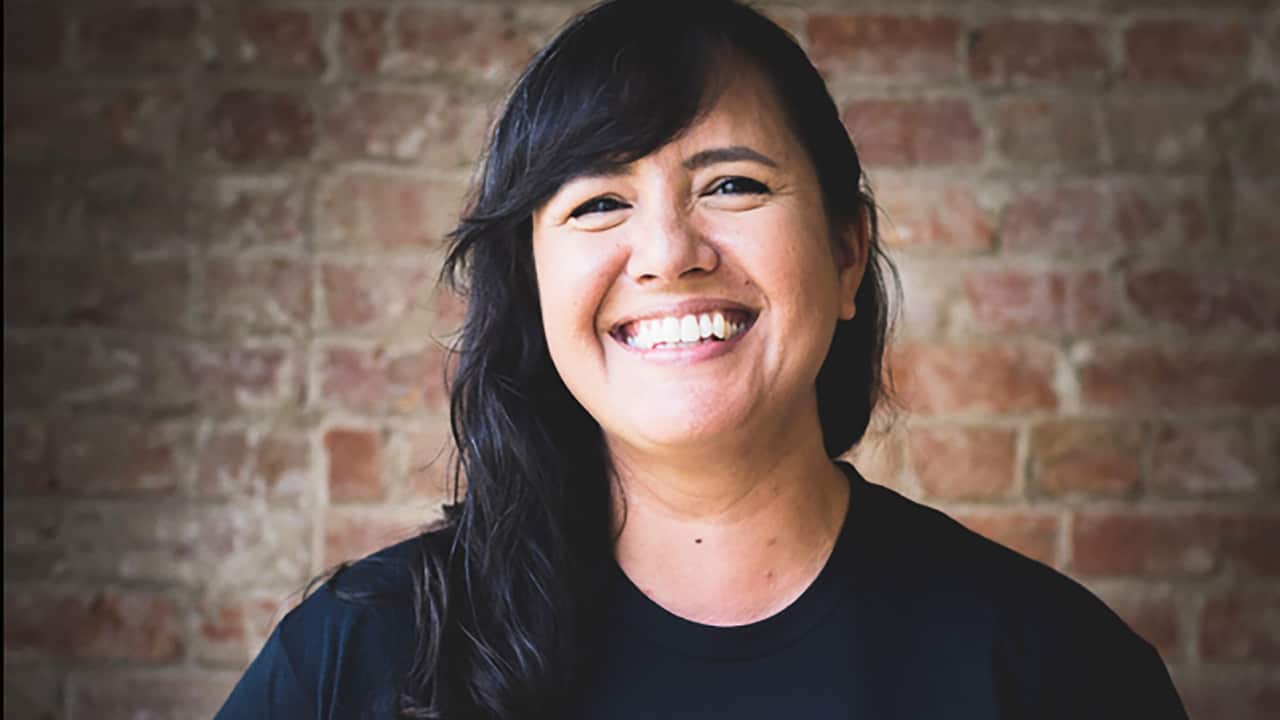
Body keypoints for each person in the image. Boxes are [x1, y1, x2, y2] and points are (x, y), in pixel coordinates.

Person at [216, 1, 1189, 717]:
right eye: (597, 203)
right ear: (530, 287)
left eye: (729, 183)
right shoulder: (357, 658)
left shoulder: (1057, 670)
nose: (668, 252)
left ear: (846, 252)